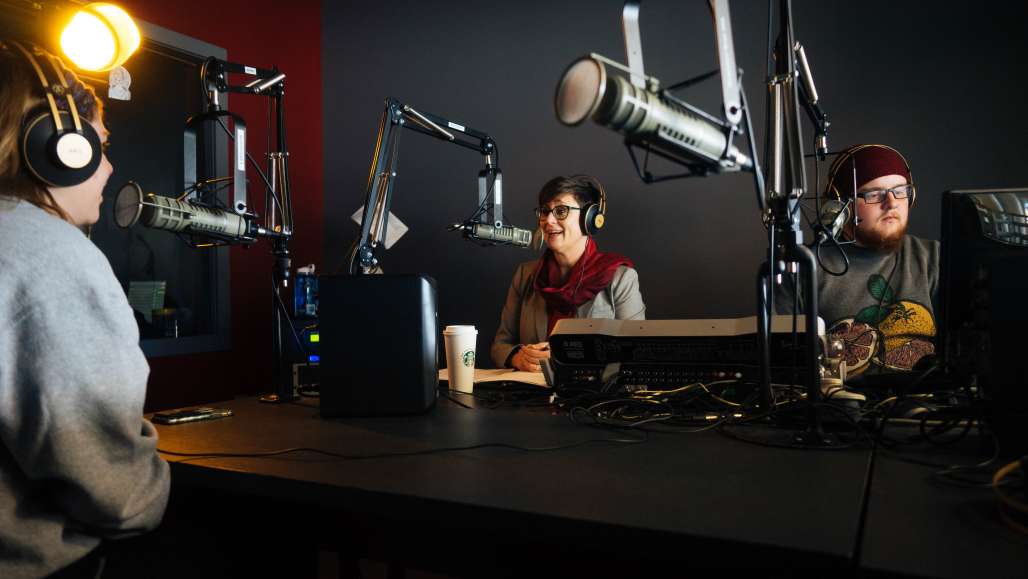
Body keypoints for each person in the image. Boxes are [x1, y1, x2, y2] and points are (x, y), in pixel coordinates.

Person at [0, 42, 170, 578]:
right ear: (58, 145)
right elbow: (120, 497)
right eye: (100, 143)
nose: (108, 166)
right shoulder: (47, 254)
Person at [784, 144, 939, 377]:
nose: (892, 203)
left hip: (924, 408)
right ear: (840, 205)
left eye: (900, 190)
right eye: (874, 194)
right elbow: (784, 367)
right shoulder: (802, 266)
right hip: (839, 409)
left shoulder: (934, 258)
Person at [491, 175, 645, 372]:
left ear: (590, 218)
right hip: (531, 398)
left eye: (561, 211)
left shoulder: (621, 278)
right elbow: (500, 346)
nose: (548, 220)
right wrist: (517, 357)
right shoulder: (525, 275)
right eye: (544, 212)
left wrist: (566, 358)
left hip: (593, 399)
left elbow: (636, 352)